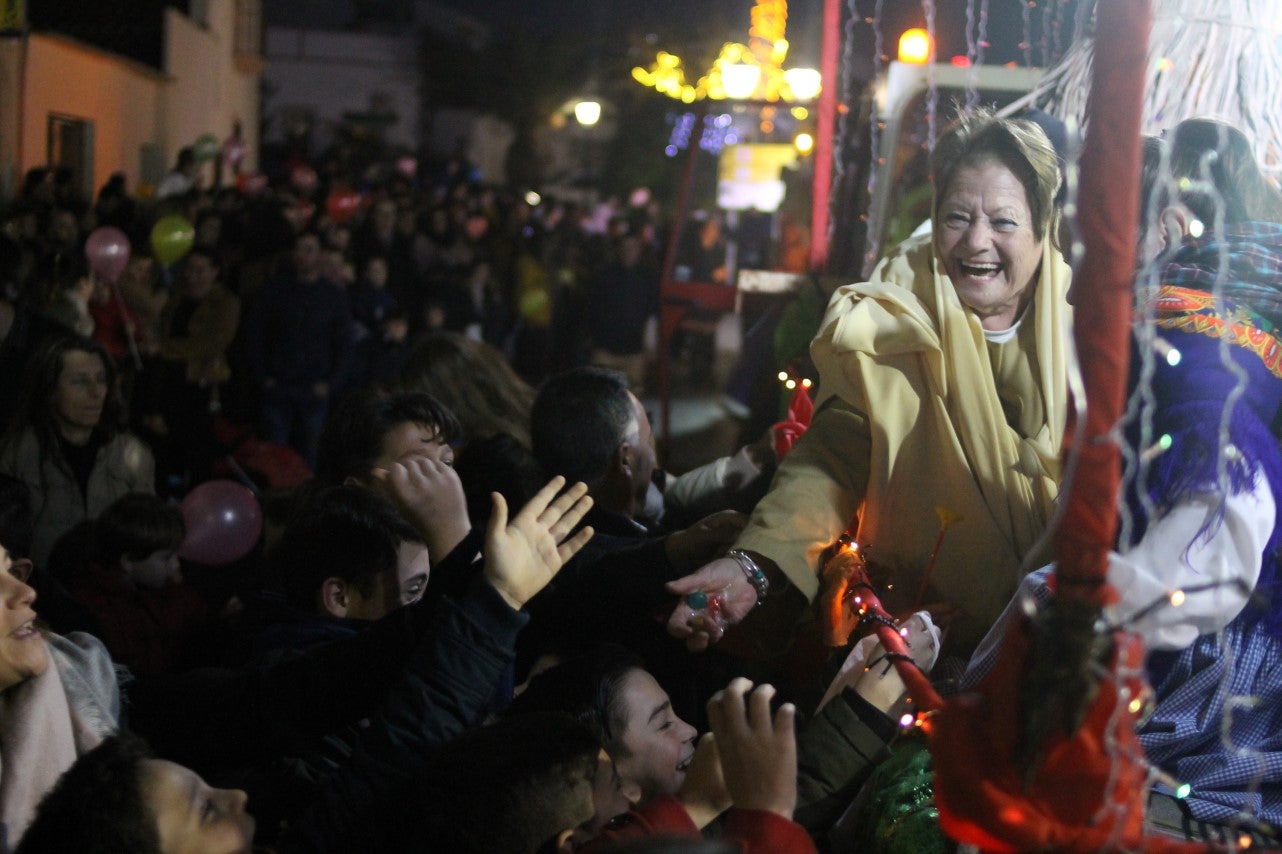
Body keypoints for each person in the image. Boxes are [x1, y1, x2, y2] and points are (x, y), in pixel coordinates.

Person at [966, 119, 1282, 844]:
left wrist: (1070, 618)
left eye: (1090, 247)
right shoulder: (1230, 333)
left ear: (1169, 230)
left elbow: (1219, 538)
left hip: (1192, 729)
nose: (1073, 285)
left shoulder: (1199, 349)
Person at [665, 110, 1070, 660]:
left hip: (1059, 637)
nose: (976, 242)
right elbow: (834, 452)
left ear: (1044, 228)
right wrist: (755, 563)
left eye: (1003, 222)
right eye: (956, 217)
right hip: (918, 639)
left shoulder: (1086, 317)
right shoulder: (893, 310)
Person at [0, 336, 155, 568]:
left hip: (113, 590)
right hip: (43, 590)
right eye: (79, 382)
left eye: (101, 380)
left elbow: (148, 534)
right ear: (49, 390)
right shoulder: (18, 452)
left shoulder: (131, 454)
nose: (96, 392)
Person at [64, 493, 208, 676]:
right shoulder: (93, 608)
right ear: (128, 561)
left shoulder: (168, 591)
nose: (176, 564)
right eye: (166, 558)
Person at [245, 230, 353, 467]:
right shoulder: (274, 291)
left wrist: (331, 383)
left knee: (309, 456)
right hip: (279, 385)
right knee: (273, 458)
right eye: (299, 249)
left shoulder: (333, 296)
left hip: (314, 388)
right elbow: (256, 336)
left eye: (309, 249)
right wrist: (264, 377)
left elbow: (344, 343)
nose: (303, 256)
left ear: (320, 255)